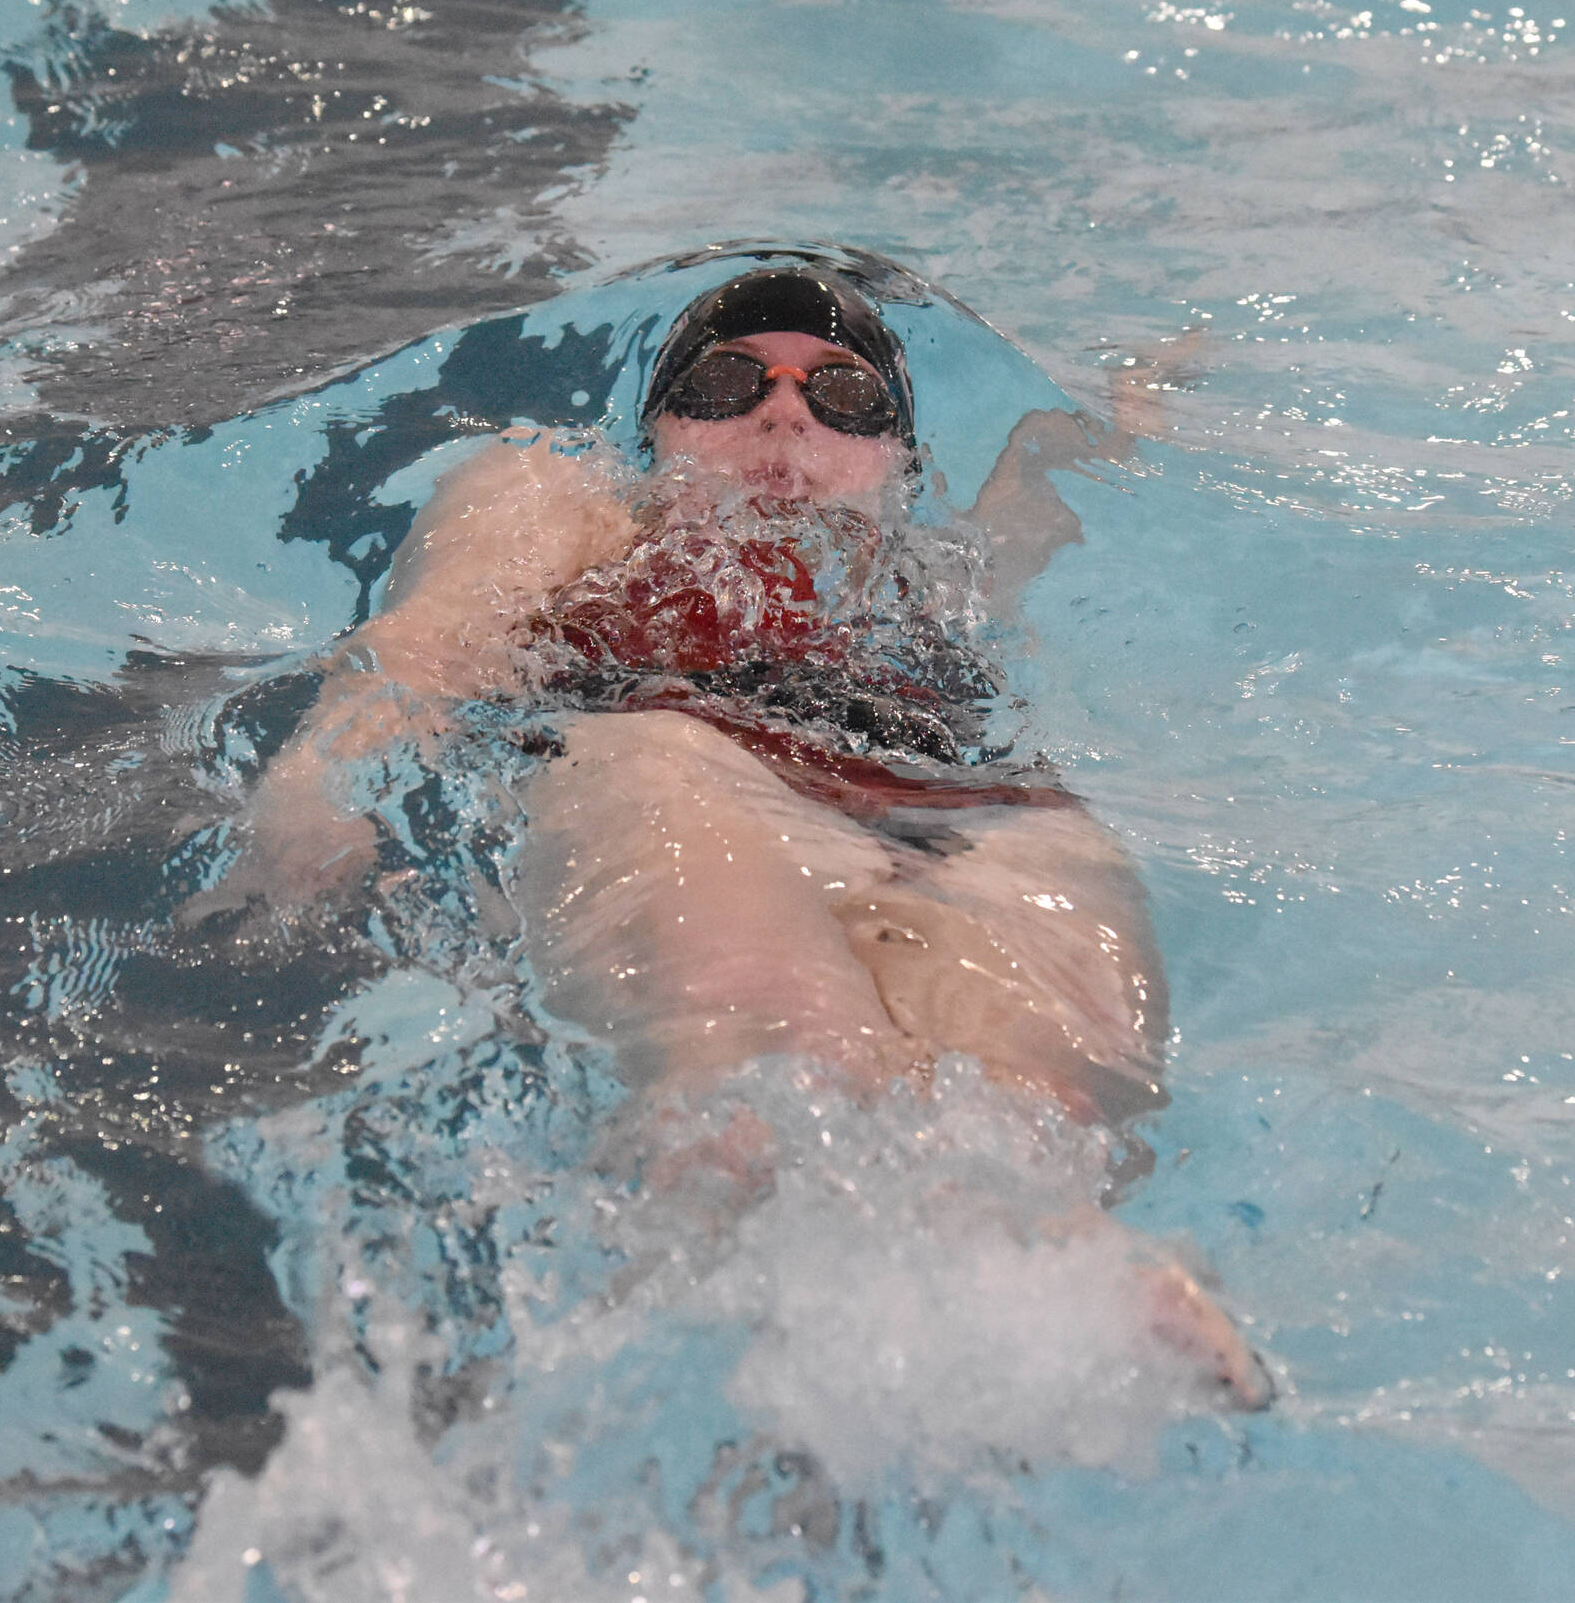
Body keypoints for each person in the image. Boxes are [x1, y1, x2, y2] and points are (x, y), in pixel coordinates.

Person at [199, 262, 1270, 1406]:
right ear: (655, 428)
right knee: (775, 1040)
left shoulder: (940, 568)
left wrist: (1174, 353)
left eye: (845, 398)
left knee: (1043, 1014)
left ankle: (1041, 1250)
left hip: (948, 808)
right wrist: (315, 784)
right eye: (724, 382)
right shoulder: (564, 499)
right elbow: (427, 643)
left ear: (897, 464)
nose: (785, 412)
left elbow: (1076, 454)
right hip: (679, 757)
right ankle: (734, 1310)